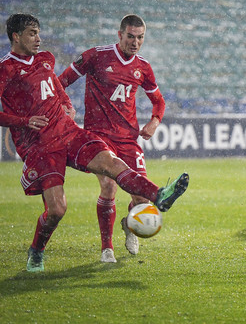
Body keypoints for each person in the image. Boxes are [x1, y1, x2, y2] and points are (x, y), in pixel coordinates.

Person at [0, 14, 189, 272]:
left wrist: (67, 105)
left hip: (90, 134)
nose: (39, 38)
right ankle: (50, 249)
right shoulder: (7, 68)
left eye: (140, 37)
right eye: (32, 33)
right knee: (60, 208)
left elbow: (56, 86)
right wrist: (22, 120)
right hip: (53, 142)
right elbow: (64, 81)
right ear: (16, 36)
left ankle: (159, 195)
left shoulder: (46, 59)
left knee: (121, 176)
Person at [58, 14, 166, 263]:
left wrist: (154, 121)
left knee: (140, 199)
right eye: (131, 36)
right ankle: (107, 248)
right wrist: (64, 104)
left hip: (128, 139)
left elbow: (158, 101)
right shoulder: (96, 56)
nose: (135, 42)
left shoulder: (143, 68)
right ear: (120, 35)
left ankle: (129, 225)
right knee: (108, 187)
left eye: (140, 38)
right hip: (99, 137)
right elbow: (61, 81)